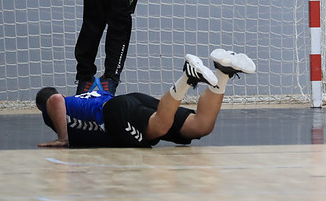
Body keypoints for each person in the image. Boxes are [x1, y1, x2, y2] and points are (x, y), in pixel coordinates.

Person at [36, 48, 256, 148]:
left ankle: (187, 78)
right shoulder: (84, 98)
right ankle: (223, 72)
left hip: (114, 116)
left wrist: (62, 139)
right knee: (200, 126)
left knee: (159, 126)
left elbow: (54, 100)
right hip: (126, 102)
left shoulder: (56, 108)